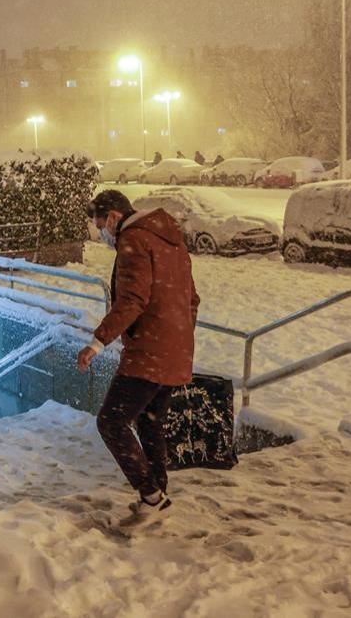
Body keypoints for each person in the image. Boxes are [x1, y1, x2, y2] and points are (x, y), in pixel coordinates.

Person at [79, 190, 201, 526]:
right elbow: (193, 298)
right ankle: (156, 497)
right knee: (149, 420)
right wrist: (180, 337)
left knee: (111, 422)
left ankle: (150, 494)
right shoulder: (168, 238)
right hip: (175, 349)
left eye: (100, 223)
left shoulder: (134, 240)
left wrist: (97, 342)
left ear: (114, 217)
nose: (101, 232)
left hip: (151, 351)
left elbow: (132, 299)